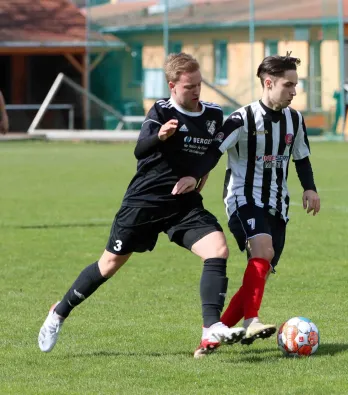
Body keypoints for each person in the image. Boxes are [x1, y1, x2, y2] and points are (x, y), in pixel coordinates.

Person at [37, 53, 245, 358]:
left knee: (217, 249)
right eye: (189, 86)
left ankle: (210, 327)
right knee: (108, 265)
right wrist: (160, 136)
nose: (197, 91)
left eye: (199, 84)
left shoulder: (213, 114)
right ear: (173, 86)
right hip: (144, 202)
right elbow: (140, 149)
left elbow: (213, 152)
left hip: (182, 205)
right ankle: (59, 312)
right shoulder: (161, 111)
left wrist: (198, 174)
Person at [192, 54, 320, 346]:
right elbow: (214, 151)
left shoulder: (295, 120)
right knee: (262, 249)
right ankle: (251, 321)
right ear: (268, 82)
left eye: (295, 85)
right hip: (242, 198)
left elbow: (301, 158)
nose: (294, 91)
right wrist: (196, 176)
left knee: (259, 272)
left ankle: (211, 339)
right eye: (288, 85)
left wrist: (309, 188)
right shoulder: (241, 119)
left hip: (278, 203)